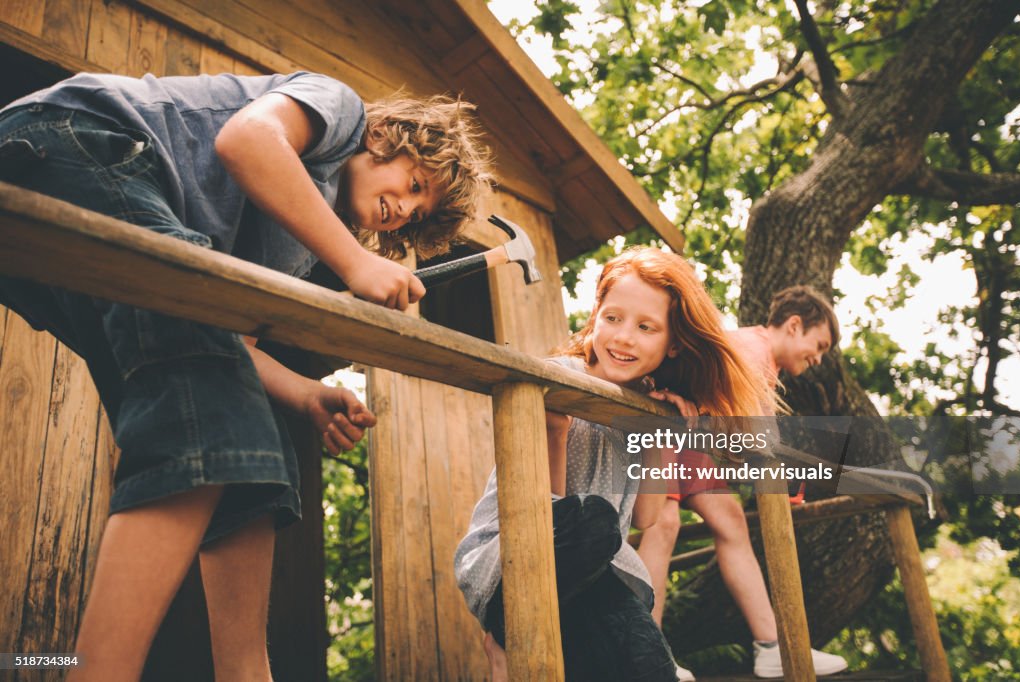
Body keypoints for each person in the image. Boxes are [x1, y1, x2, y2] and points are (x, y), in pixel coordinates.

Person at [0, 70, 491, 681]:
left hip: (53, 247)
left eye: (417, 214)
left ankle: (245, 673)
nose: (405, 209)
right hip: (75, 143)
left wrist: (304, 392)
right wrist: (356, 262)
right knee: (209, 412)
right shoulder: (337, 112)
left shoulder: (294, 244)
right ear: (386, 138)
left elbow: (225, 343)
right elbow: (246, 140)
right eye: (415, 183)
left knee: (252, 456)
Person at [454, 247, 766, 681]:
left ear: (673, 343)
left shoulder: (647, 409)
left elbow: (645, 517)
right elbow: (540, 509)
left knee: (649, 664)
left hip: (599, 575)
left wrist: (660, 435)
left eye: (645, 327)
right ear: (596, 313)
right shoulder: (555, 377)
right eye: (613, 318)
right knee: (592, 521)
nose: (623, 337)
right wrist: (555, 431)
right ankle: (504, 638)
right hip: (513, 554)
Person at [636, 284, 848, 680]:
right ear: (794, 325)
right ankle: (646, 657)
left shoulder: (765, 363)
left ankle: (771, 647)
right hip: (663, 421)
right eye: (817, 345)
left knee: (731, 520)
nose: (817, 358)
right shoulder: (752, 349)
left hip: (690, 434)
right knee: (662, 525)